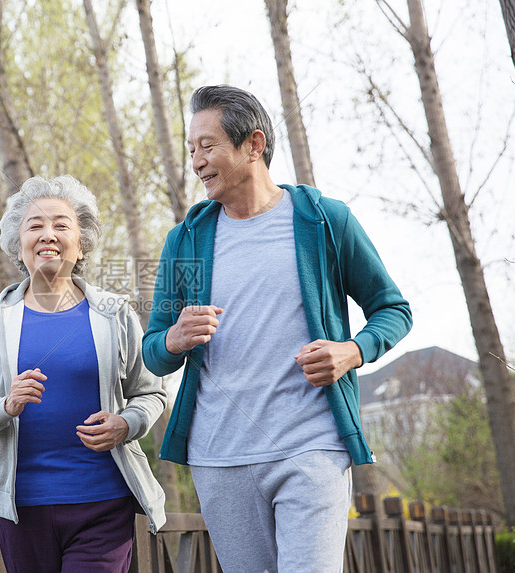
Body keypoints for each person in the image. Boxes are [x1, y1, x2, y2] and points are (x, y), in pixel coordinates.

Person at [142, 85, 412, 572]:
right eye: (191, 150)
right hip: (219, 456)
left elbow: (393, 309)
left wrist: (352, 352)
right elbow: (154, 351)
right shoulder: (186, 242)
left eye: (208, 146)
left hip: (312, 445)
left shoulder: (323, 222)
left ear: (253, 144)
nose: (197, 161)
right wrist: (174, 338)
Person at [0, 175, 167, 573]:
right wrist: (5, 405)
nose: (47, 234)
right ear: (19, 244)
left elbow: (151, 393)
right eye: (35, 225)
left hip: (103, 502)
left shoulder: (114, 313)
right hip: (20, 509)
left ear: (81, 243)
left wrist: (125, 423)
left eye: (61, 224)